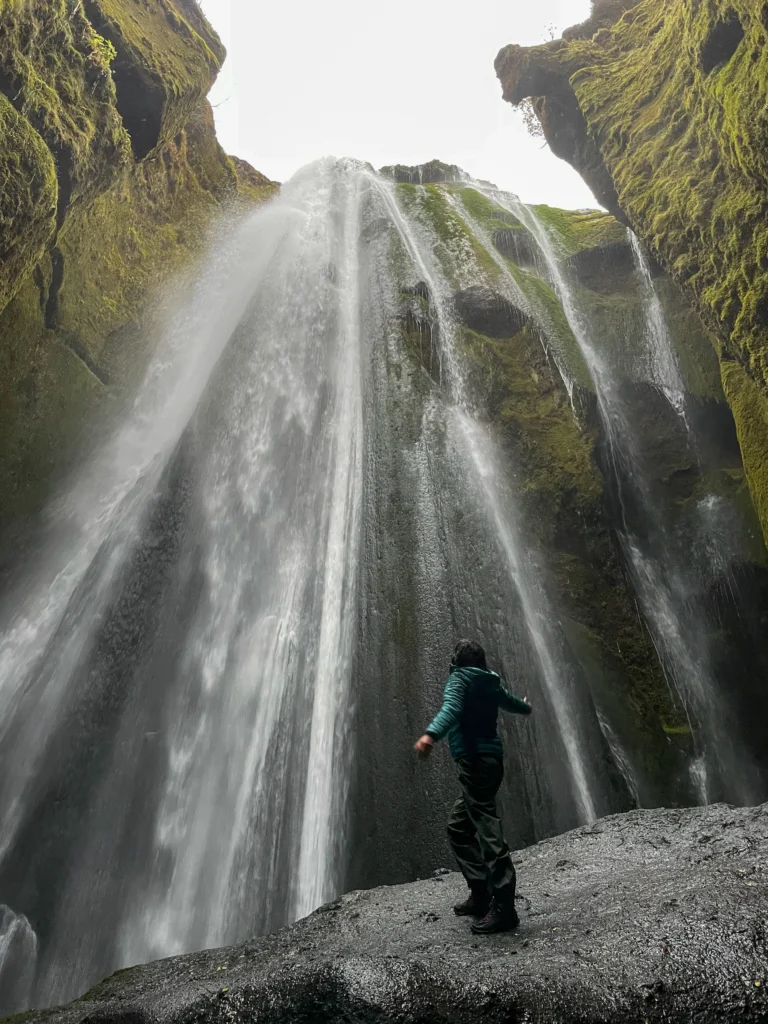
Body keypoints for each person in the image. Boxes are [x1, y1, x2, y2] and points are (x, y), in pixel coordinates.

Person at [414, 639, 532, 934]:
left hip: (475, 764)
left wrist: (430, 735)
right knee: (458, 827)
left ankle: (504, 907)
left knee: (488, 832)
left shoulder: (459, 679)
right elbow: (510, 702)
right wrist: (526, 708)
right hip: (492, 763)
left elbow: (451, 708)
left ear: (457, 661)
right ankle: (481, 893)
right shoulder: (488, 682)